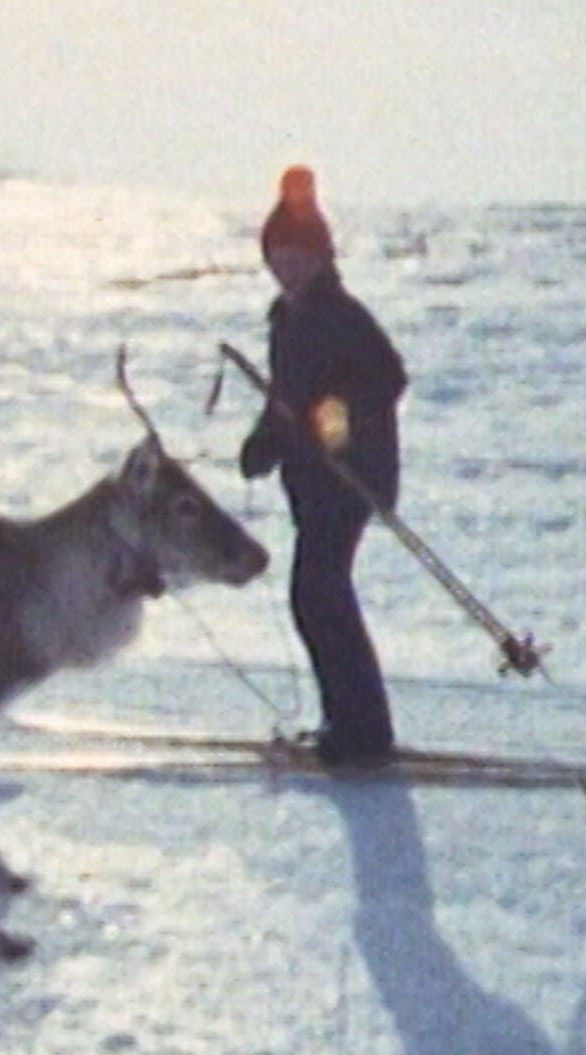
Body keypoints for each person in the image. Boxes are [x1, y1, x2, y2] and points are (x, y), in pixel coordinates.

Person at [240, 166, 408, 764]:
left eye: (298, 254)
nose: (287, 264)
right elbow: (287, 400)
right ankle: (350, 722)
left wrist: (332, 425)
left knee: (319, 592)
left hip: (351, 476)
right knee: (317, 594)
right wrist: (264, 443)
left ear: (320, 257)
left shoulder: (338, 313)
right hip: (312, 480)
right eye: (278, 253)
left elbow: (385, 377)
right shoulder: (287, 320)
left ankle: (362, 731)